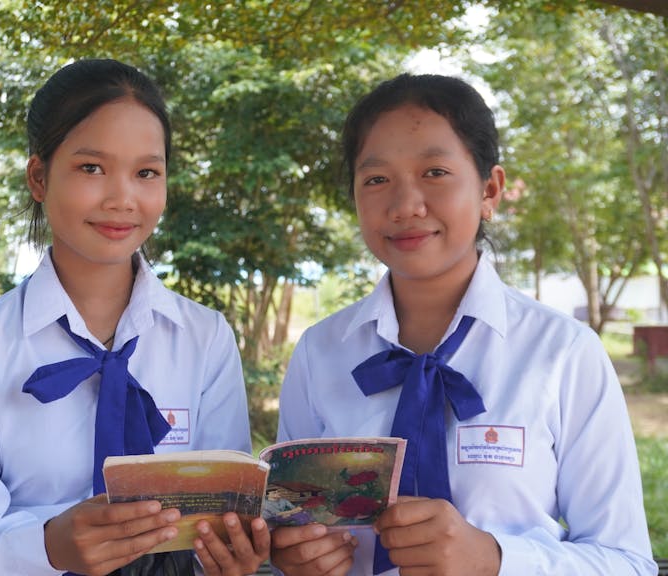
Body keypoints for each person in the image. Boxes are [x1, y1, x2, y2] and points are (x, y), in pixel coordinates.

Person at [270, 73, 657, 576]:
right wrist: (294, 557)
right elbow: (290, 528)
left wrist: (495, 560)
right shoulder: (320, 351)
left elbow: (627, 562)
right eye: (376, 179)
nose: (405, 205)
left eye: (434, 172)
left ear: (489, 190)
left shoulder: (563, 353)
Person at [0, 58, 269, 576]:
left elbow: (224, 518)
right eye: (92, 168)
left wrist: (233, 556)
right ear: (39, 177)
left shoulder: (205, 338)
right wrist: (48, 547)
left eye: (146, 173)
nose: (122, 199)